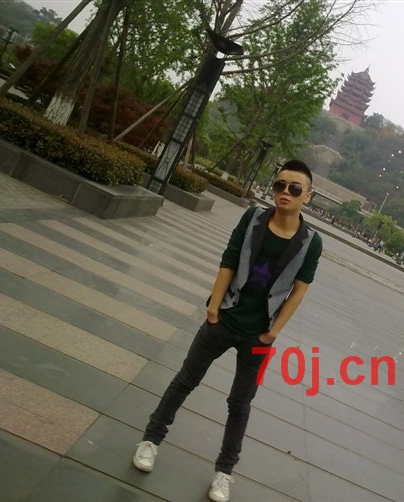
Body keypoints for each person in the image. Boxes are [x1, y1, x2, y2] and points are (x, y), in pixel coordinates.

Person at [132, 160, 322, 502]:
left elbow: (299, 290)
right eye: (280, 185)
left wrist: (273, 332)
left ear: (307, 196)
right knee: (184, 381)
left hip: (259, 336)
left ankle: (224, 472)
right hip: (223, 319)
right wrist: (213, 308)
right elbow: (229, 260)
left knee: (240, 404)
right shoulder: (253, 218)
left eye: (295, 188)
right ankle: (150, 440)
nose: (285, 193)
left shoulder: (312, 242)